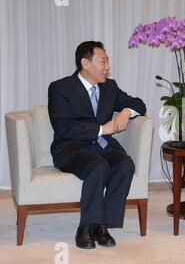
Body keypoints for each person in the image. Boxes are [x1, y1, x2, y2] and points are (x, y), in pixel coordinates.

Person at [48, 41, 146, 249]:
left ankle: (102, 225)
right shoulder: (60, 88)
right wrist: (103, 129)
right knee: (98, 165)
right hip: (70, 147)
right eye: (103, 61)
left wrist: (127, 111)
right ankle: (85, 226)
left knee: (125, 164)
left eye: (107, 61)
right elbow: (63, 127)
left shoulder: (109, 87)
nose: (107, 67)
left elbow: (139, 104)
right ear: (85, 63)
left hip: (99, 147)